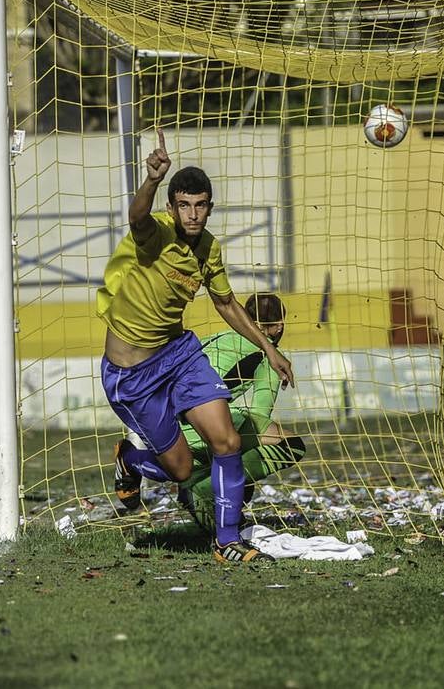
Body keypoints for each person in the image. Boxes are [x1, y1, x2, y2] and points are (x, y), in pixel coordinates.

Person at [100, 129, 295, 564]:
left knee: (226, 441)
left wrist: (270, 348)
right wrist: (151, 180)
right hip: (132, 375)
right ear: (171, 207)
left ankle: (227, 542)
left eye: (200, 205)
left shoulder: (208, 247)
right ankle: (131, 460)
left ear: (209, 207)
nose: (193, 214)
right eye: (184, 205)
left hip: (180, 355)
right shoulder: (156, 234)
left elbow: (225, 302)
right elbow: (136, 218)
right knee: (183, 469)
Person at [178, 292, 306, 532]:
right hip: (198, 430)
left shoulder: (218, 337)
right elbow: (259, 415)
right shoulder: (267, 355)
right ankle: (204, 491)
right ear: (278, 326)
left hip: (167, 428)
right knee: (290, 445)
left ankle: (197, 482)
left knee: (237, 454)